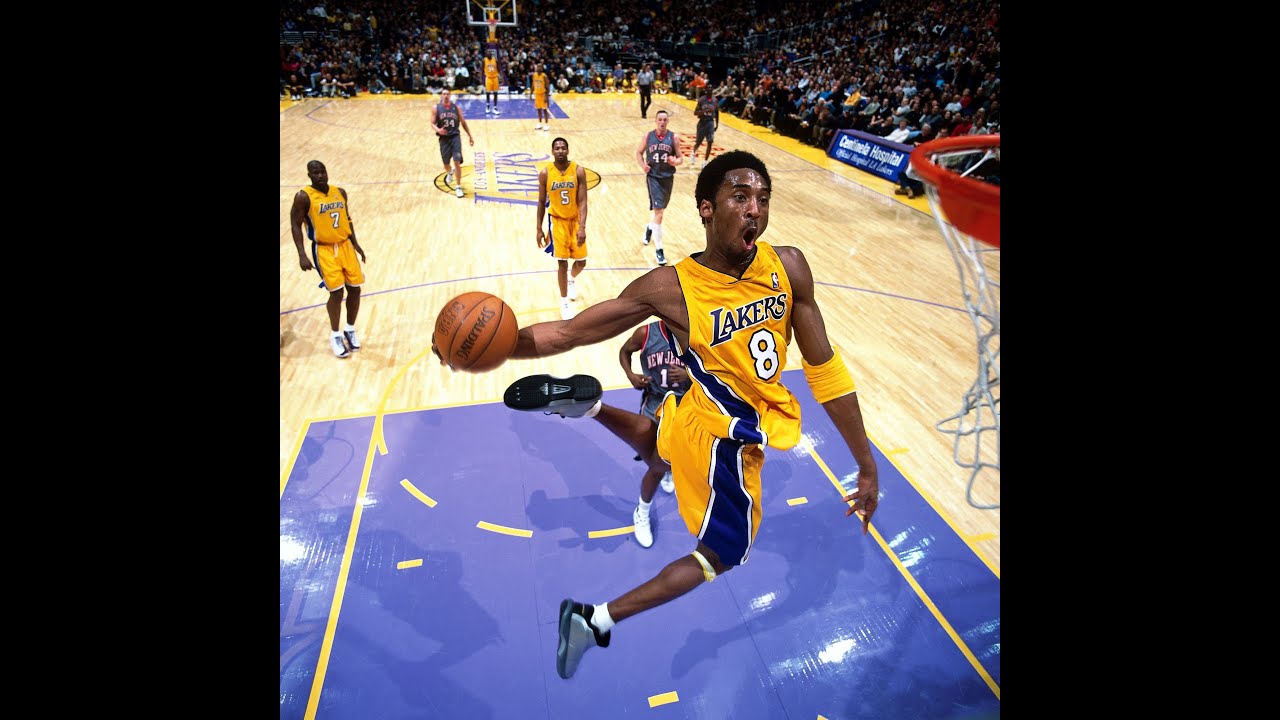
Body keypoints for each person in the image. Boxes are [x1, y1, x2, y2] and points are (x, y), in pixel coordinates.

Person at [439, 150, 880, 680]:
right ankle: (593, 619)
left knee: (657, 454)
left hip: (692, 411)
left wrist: (865, 461)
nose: (755, 210)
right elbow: (571, 332)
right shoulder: (670, 288)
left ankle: (589, 405)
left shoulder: (787, 267)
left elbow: (825, 370)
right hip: (727, 435)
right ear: (706, 208)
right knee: (720, 554)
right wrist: (491, 348)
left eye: (763, 199)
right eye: (740, 197)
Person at [290, 160, 368, 359]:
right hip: (324, 249)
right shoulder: (303, 197)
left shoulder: (339, 192)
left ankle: (350, 329)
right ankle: (335, 335)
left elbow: (347, 219)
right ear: (309, 175)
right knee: (336, 293)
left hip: (345, 246)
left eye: (322, 171)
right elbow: (295, 224)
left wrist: (356, 244)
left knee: (355, 289)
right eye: (315, 173)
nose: (320, 176)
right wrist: (302, 254)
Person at [536, 137, 590, 320]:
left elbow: (583, 201)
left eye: (563, 148)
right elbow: (541, 202)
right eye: (557, 148)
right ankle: (564, 301)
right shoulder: (545, 173)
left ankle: (571, 280)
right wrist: (539, 228)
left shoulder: (578, 171)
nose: (560, 151)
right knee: (562, 263)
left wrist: (582, 227)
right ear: (552, 151)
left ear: (568, 150)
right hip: (557, 222)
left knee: (581, 262)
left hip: (575, 221)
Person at [635, 109, 683, 266]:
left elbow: (680, 158)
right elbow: (638, 153)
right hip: (653, 177)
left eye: (664, 120)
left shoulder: (673, 137)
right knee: (659, 213)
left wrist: (675, 162)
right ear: (655, 121)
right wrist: (643, 165)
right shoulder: (648, 136)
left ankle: (650, 227)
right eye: (660, 119)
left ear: (667, 121)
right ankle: (659, 250)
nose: (662, 122)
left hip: (667, 178)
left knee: (660, 212)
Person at [428, 88, 475, 198]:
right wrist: (438, 130)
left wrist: (470, 136)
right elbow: (432, 123)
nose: (446, 96)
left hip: (455, 137)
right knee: (446, 164)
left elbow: (463, 122)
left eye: (447, 94)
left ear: (450, 95)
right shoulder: (436, 108)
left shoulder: (456, 108)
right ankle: (450, 172)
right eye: (444, 94)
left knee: (457, 160)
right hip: (444, 138)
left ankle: (458, 187)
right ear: (441, 95)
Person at [690, 87, 719, 169]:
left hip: (710, 123)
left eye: (711, 90)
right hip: (702, 123)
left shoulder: (715, 100)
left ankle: (705, 162)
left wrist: (717, 124)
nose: (709, 91)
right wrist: (702, 112)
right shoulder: (701, 100)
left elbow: (717, 112)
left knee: (710, 142)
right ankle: (693, 153)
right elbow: (695, 112)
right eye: (708, 90)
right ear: (706, 91)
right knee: (698, 142)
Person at [532, 64, 551, 131]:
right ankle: (540, 123)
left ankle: (546, 124)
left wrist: (546, 96)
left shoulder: (544, 76)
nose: (538, 68)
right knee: (538, 109)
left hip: (543, 94)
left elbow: (547, 87)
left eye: (540, 67)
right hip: (537, 94)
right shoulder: (534, 75)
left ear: (542, 68)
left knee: (544, 110)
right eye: (537, 67)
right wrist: (531, 93)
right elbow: (533, 84)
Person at [483, 49, 502, 115]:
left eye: (490, 53)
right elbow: (481, 69)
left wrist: (501, 77)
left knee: (495, 93)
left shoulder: (495, 60)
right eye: (488, 53)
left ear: (491, 54)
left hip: (495, 78)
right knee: (488, 93)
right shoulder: (484, 60)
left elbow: (499, 69)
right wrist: (481, 79)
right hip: (488, 78)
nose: (489, 54)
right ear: (486, 54)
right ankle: (488, 106)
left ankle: (495, 107)